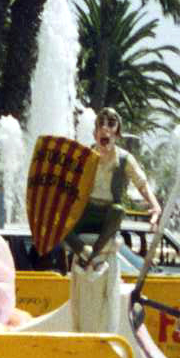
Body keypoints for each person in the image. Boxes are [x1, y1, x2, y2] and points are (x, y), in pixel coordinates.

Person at [70, 108, 162, 266]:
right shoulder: (84, 156)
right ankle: (82, 250)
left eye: (111, 124)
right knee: (58, 223)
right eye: (101, 124)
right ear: (95, 133)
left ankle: (92, 255)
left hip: (108, 216)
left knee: (118, 210)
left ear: (117, 134)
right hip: (86, 211)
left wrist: (155, 206)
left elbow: (142, 184)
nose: (105, 128)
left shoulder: (125, 159)